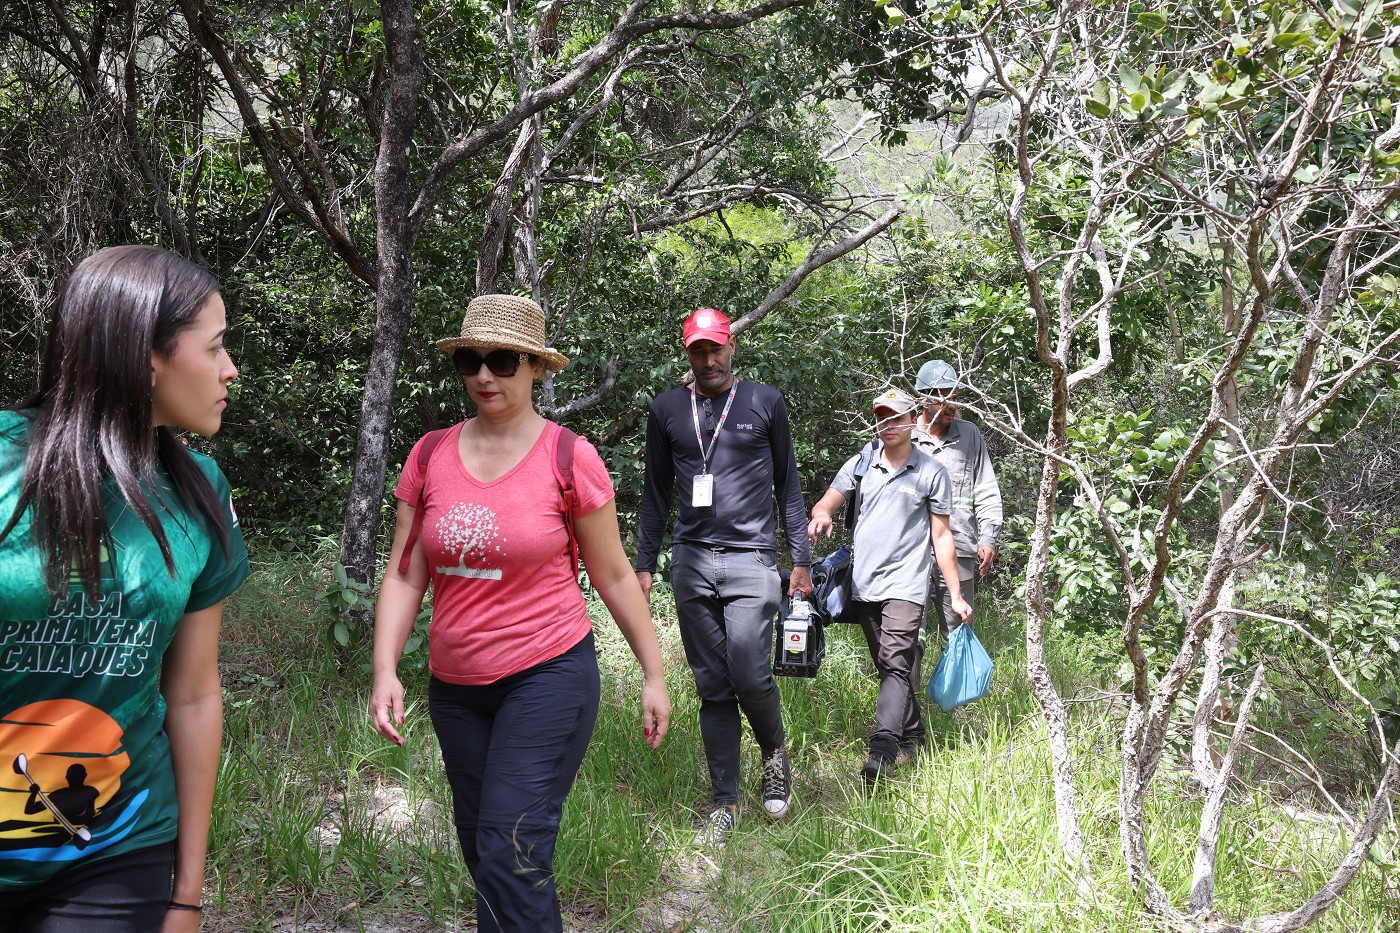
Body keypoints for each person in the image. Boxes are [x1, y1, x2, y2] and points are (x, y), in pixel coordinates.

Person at [370, 294, 670, 933]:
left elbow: (615, 574)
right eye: (472, 361)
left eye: (503, 361)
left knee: (510, 849)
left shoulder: (569, 457)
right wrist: (385, 669)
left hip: (547, 674)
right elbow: (404, 574)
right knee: (486, 851)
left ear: (536, 367)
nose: (485, 376)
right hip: (455, 687)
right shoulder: (428, 456)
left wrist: (654, 673)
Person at [0, 245, 249, 932]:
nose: (230, 369)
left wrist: (187, 894)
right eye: (215, 347)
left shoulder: (200, 493)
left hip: (113, 850)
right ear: (146, 358)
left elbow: (193, 695)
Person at [635, 307, 811, 846]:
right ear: (687, 352)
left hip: (752, 558)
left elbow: (788, 484)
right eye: (699, 350)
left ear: (731, 346)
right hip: (691, 560)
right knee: (712, 685)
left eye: (716, 348)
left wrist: (801, 559)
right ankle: (724, 800)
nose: (709, 360)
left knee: (750, 674)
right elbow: (655, 492)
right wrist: (644, 563)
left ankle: (774, 754)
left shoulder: (764, 402)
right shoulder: (667, 409)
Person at [808, 389, 970, 784]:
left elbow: (942, 536)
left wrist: (955, 594)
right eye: (881, 417)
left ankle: (882, 752)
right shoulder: (862, 462)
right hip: (864, 584)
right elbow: (829, 500)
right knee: (889, 664)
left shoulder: (931, 471)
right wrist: (822, 513)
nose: (888, 424)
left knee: (896, 661)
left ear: (913, 420)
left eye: (896, 417)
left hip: (906, 585)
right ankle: (912, 737)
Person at [913, 360, 1003, 633]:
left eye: (953, 396)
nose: (950, 404)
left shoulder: (969, 434)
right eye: (941, 397)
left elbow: (986, 489)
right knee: (909, 633)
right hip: (911, 551)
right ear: (923, 399)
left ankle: (958, 665)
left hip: (959, 546)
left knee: (959, 631)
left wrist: (988, 537)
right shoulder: (905, 437)